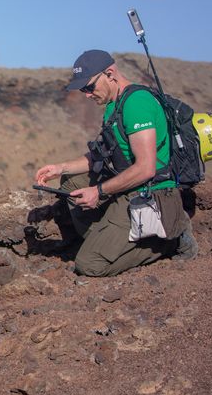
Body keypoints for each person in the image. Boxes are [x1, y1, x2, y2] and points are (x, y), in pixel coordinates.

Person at [34, 50, 198, 277]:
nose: (87, 95)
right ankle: (107, 239)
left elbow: (145, 168)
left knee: (89, 264)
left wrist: (98, 191)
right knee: (70, 182)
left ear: (110, 74)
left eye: (89, 87)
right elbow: (100, 156)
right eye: (83, 90)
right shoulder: (113, 106)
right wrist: (60, 168)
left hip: (151, 193)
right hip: (127, 189)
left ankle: (169, 241)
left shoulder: (137, 104)